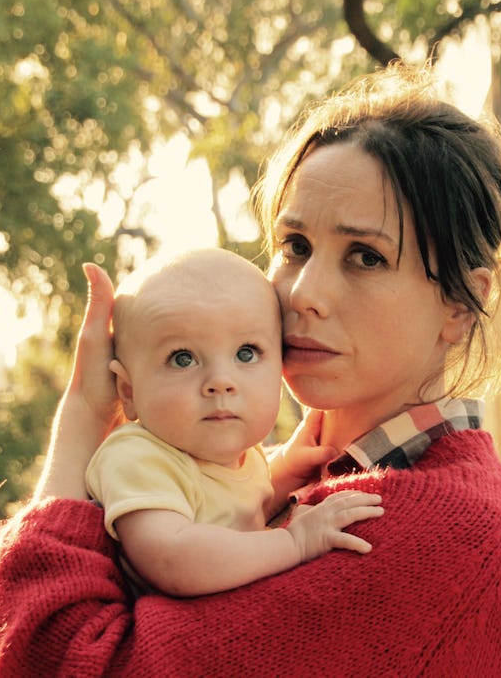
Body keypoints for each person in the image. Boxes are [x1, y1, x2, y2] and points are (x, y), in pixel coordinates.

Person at [0, 64, 501, 676]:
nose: (303, 293)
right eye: (295, 246)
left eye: (366, 257)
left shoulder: (441, 532)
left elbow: (62, 660)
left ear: (460, 305)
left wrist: (83, 422)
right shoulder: (282, 475)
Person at [85, 248, 383, 597]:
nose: (221, 381)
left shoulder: (243, 457)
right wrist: (294, 541)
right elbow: (172, 559)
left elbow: (234, 512)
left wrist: (286, 469)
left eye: (246, 353)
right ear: (129, 391)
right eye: (183, 358)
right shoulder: (139, 456)